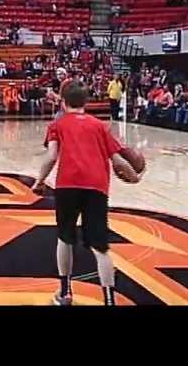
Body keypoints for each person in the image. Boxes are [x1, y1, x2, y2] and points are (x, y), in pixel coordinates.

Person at [31, 80, 138, 306]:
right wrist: (134, 176)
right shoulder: (99, 126)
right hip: (97, 187)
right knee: (101, 247)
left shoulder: (57, 125)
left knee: (65, 238)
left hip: (67, 186)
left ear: (62, 102)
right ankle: (109, 300)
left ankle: (65, 293)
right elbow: (118, 161)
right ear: (86, 102)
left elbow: (51, 157)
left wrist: (39, 182)